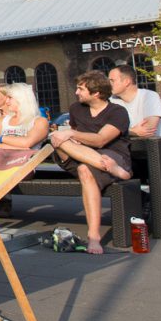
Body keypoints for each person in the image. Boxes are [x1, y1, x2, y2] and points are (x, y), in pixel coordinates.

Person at [48, 71, 133, 255]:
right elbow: (76, 138)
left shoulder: (117, 112)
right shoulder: (76, 109)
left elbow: (101, 140)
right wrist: (72, 137)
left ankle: (93, 236)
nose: (77, 92)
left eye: (81, 89)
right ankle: (117, 172)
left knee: (85, 170)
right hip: (88, 158)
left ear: (96, 93)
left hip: (112, 155)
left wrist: (72, 134)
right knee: (56, 137)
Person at [108, 65, 161, 137]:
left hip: (157, 146)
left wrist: (116, 132)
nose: (108, 84)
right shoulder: (111, 100)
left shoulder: (149, 96)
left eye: (112, 80)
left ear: (126, 82)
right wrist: (131, 131)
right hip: (129, 146)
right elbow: (100, 129)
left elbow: (148, 130)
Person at [0, 83, 49, 149]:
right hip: (2, 157)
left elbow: (27, 142)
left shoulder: (39, 122)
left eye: (10, 98)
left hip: (26, 159)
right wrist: (20, 148)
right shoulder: (3, 120)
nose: (6, 102)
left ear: (21, 99)